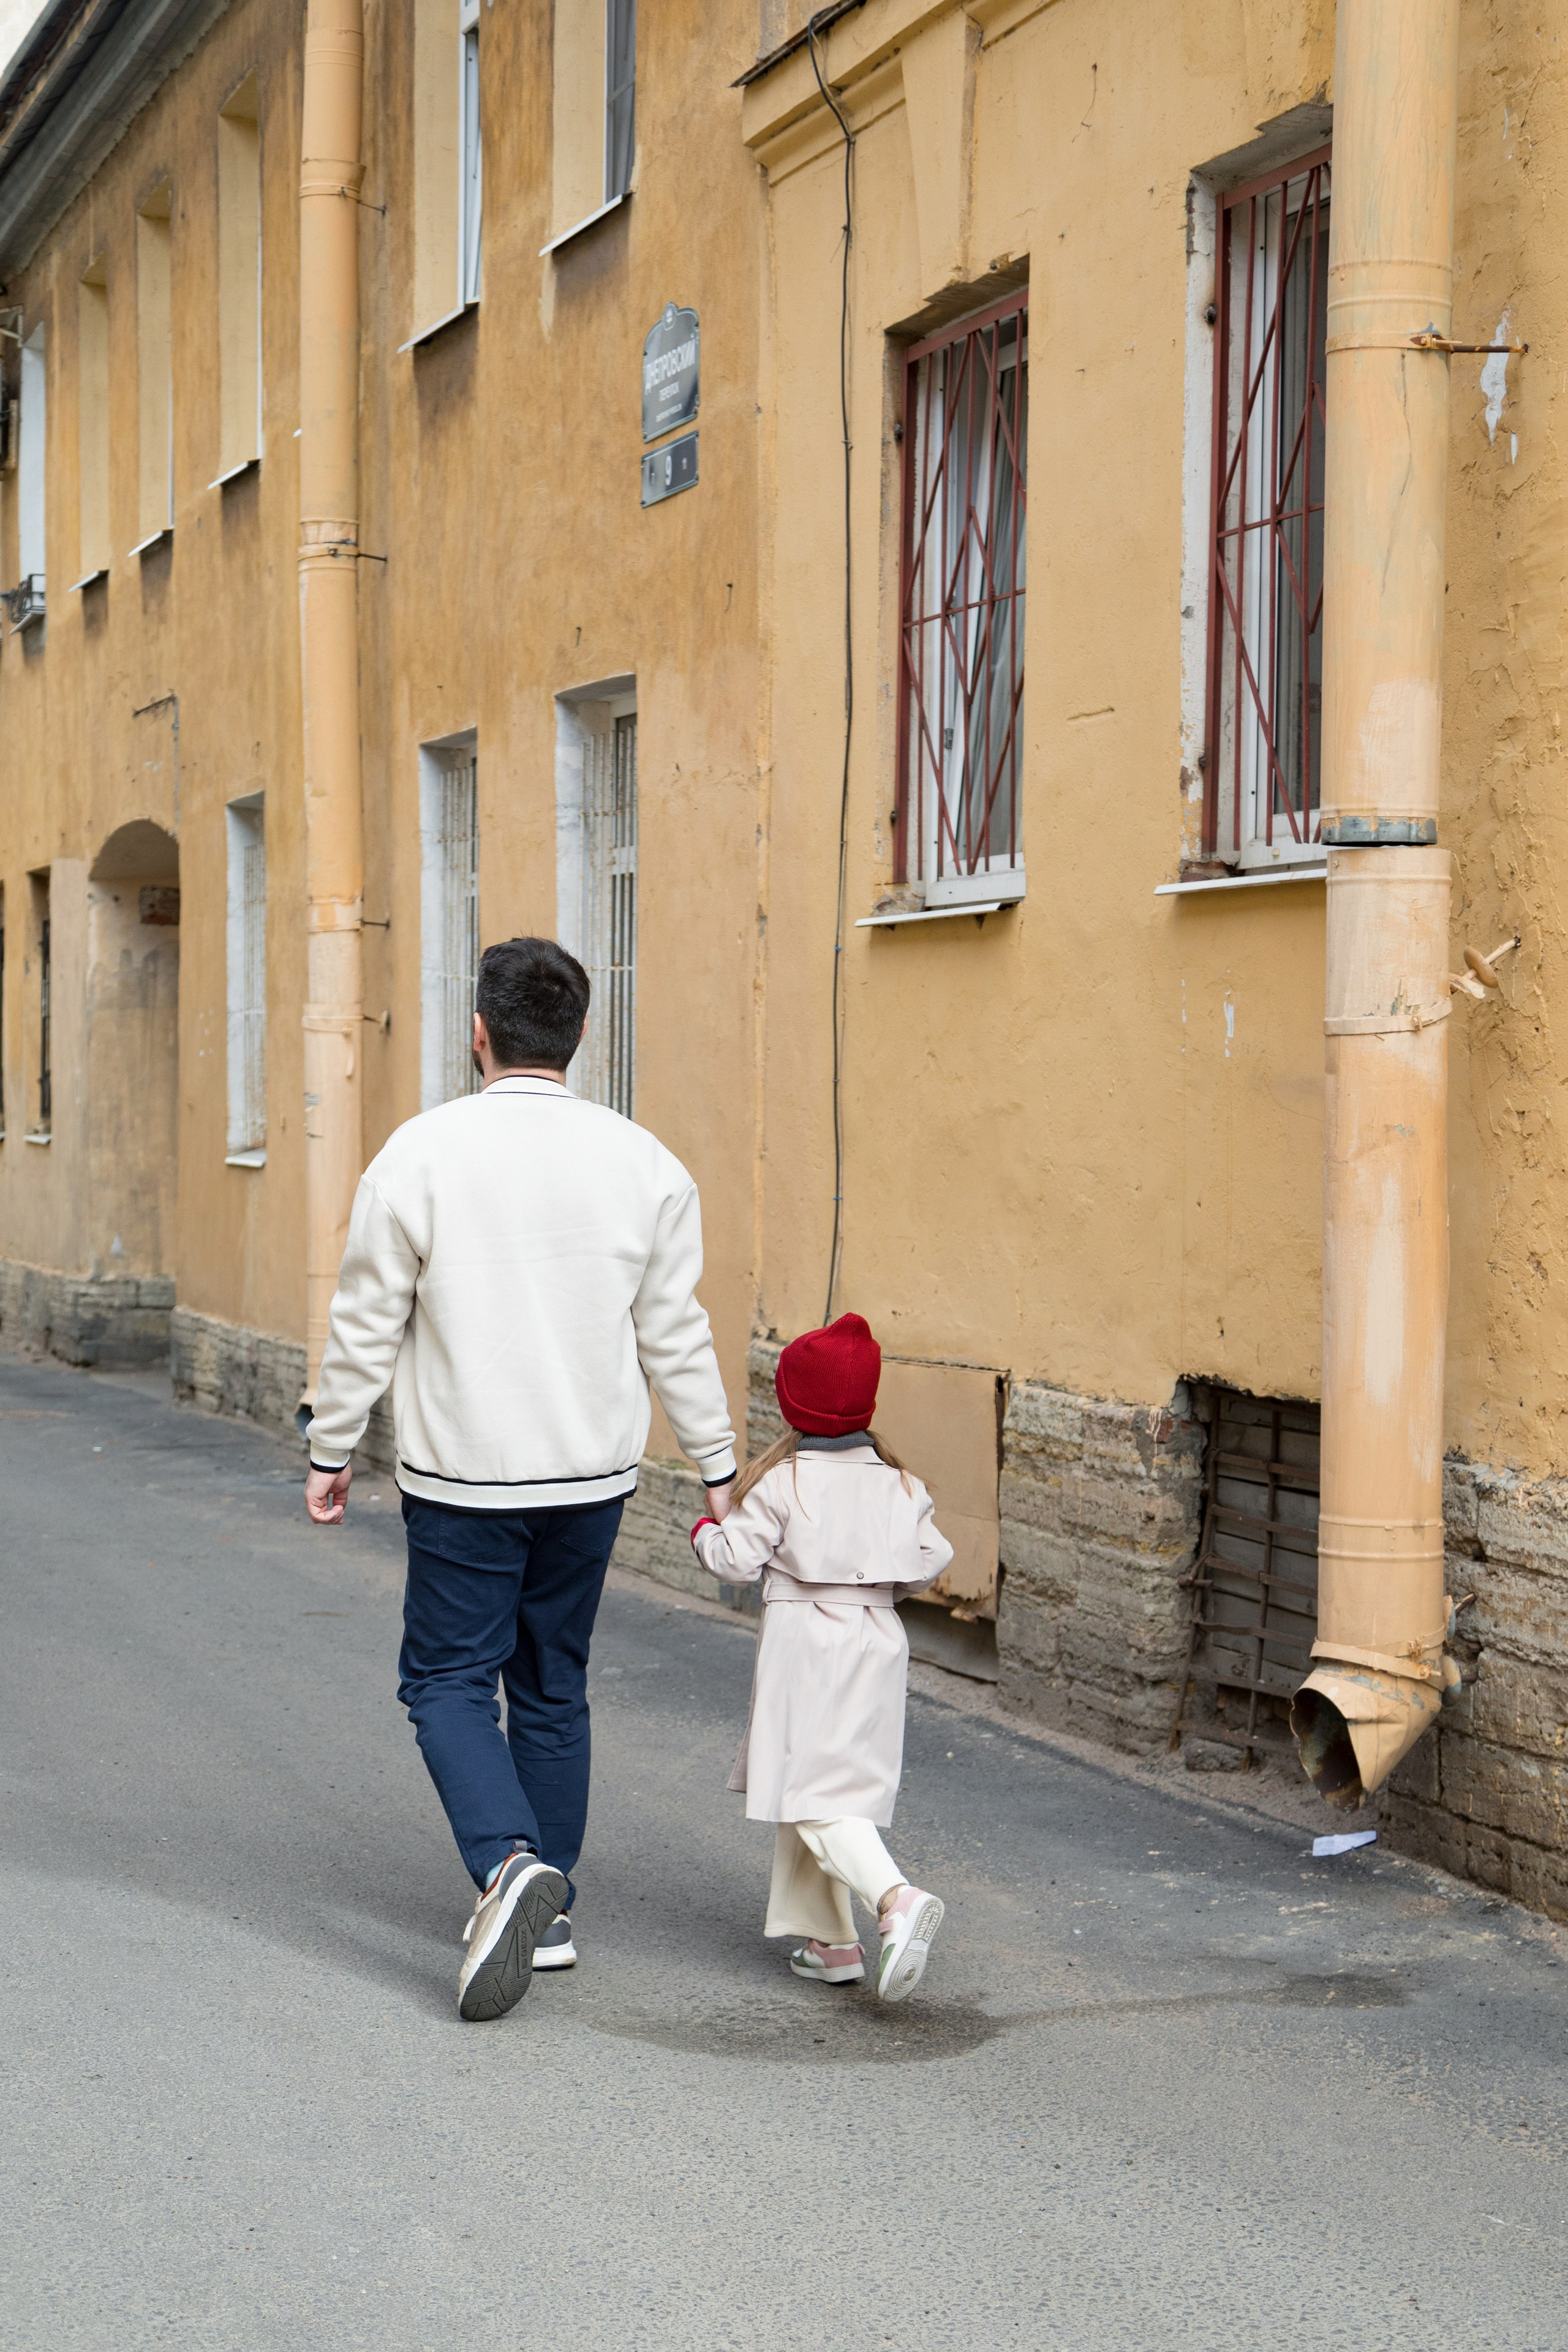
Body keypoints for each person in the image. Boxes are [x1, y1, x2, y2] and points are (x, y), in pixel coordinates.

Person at [303, 936, 737, 2022]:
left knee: (446, 1682)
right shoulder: (646, 1163)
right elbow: (675, 1332)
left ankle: (507, 1870)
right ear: (582, 1035)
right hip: (593, 1476)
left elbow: (367, 1319)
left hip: (464, 1476)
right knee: (553, 1684)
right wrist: (719, 1465)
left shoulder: (420, 1154)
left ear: (480, 1032)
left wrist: (331, 1447)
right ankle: (553, 1911)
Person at [691, 1312, 950, 2003]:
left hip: (805, 1638)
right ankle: (830, 1944)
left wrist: (703, 1529)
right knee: (835, 1778)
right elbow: (931, 1560)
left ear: (791, 1403)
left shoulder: (783, 1482)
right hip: (877, 1638)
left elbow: (734, 1562)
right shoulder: (901, 1484)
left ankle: (895, 1898)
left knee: (807, 1784)